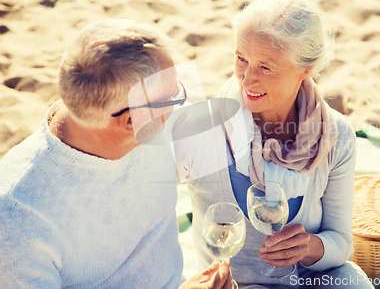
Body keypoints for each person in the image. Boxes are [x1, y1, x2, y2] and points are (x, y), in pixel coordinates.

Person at [0, 19, 233, 289]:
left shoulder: (140, 118)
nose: (181, 104)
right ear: (131, 122)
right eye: (173, 97)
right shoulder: (19, 219)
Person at [172, 0, 374, 288]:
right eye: (241, 59)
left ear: (306, 70)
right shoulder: (203, 129)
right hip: (233, 285)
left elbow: (341, 244)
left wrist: (309, 247)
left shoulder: (337, 135)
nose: (247, 78)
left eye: (266, 66)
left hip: (307, 281)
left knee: (352, 280)